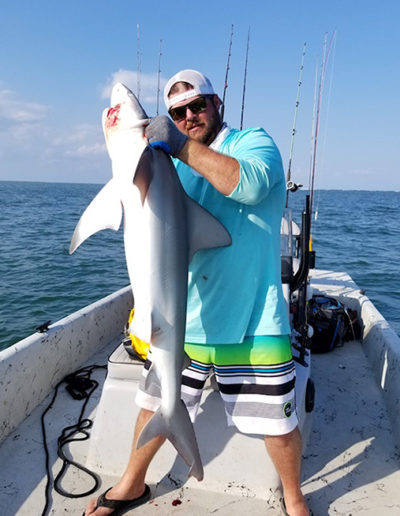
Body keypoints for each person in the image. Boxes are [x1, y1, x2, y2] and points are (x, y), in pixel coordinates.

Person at [84, 69, 310, 516]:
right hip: (182, 320)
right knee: (152, 405)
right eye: (177, 113)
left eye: (197, 105)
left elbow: (249, 185)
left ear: (217, 104)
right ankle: (131, 485)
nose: (189, 116)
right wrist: (129, 152)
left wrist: (182, 148)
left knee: (277, 426)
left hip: (252, 319)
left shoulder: (253, 143)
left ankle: (295, 497)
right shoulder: (166, 164)